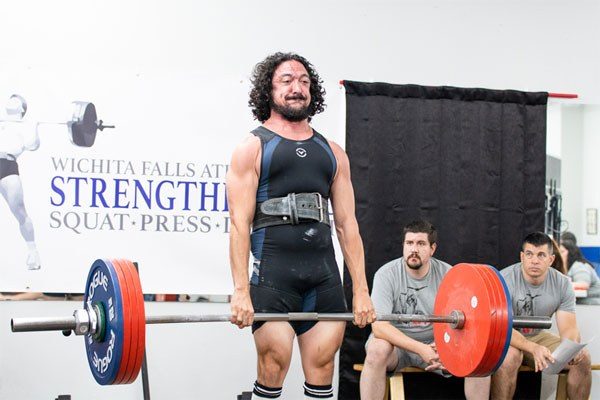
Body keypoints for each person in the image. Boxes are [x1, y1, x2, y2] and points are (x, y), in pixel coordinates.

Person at [226, 52, 376, 399]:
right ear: (269, 90)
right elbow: (239, 224)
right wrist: (240, 291)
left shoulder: (333, 153)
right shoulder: (252, 148)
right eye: (287, 80)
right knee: (274, 364)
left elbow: (347, 225)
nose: (297, 88)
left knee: (323, 370)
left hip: (323, 281)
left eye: (304, 81)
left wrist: (361, 291)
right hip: (272, 280)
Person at [360, 220, 490, 400]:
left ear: (432, 248)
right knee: (376, 349)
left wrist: (449, 348)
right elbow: (379, 327)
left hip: (438, 346)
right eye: (409, 243)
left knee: (479, 356)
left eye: (421, 244)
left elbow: (466, 322)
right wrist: (420, 349)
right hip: (398, 347)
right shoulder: (386, 274)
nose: (414, 249)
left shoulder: (449, 274)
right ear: (403, 246)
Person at [491, 232, 591, 400]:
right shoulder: (503, 279)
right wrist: (532, 348)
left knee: (583, 358)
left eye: (541, 255)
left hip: (538, 337)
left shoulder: (562, 283)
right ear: (522, 257)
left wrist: (572, 348)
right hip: (508, 338)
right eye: (529, 254)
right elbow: (502, 328)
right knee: (509, 358)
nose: (534, 260)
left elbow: (569, 328)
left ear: (551, 260)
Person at [1, 94, 42, 270]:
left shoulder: (26, 125)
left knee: (18, 209)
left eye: (16, 99)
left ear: (21, 108)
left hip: (7, 165)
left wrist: (34, 127)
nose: (11, 100)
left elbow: (32, 145)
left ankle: (33, 251)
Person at [560, 240, 600, 305]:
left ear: (571, 253)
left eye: (561, 252)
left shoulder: (579, 265)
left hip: (593, 305)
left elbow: (583, 284)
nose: (558, 255)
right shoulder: (568, 268)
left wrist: (560, 286)